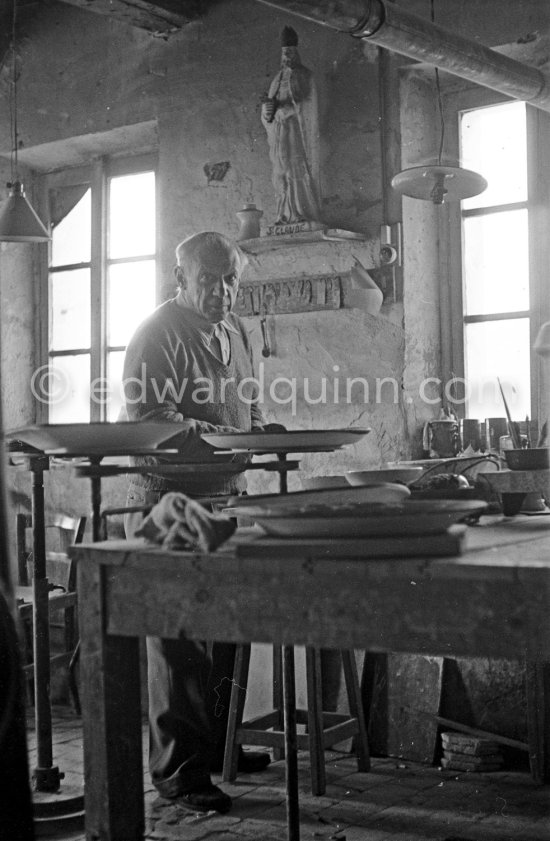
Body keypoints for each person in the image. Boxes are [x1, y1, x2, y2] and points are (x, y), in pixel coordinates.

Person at [122, 231, 272, 814]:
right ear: (181, 277)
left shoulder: (236, 332)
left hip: (229, 495)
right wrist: (219, 439)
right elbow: (150, 417)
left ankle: (215, 748)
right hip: (172, 500)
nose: (223, 292)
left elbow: (249, 403)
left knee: (225, 629)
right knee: (180, 636)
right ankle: (178, 771)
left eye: (231, 279)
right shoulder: (156, 335)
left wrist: (261, 432)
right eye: (210, 279)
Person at [261, 25, 322, 225]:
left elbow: (308, 103)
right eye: (284, 53)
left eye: (290, 52)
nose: (287, 56)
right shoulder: (276, 80)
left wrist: (290, 110)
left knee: (296, 166)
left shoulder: (306, 76)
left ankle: (300, 211)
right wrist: (268, 112)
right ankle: (284, 214)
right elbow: (269, 109)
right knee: (281, 168)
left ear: (296, 53)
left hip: (297, 130)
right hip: (280, 131)